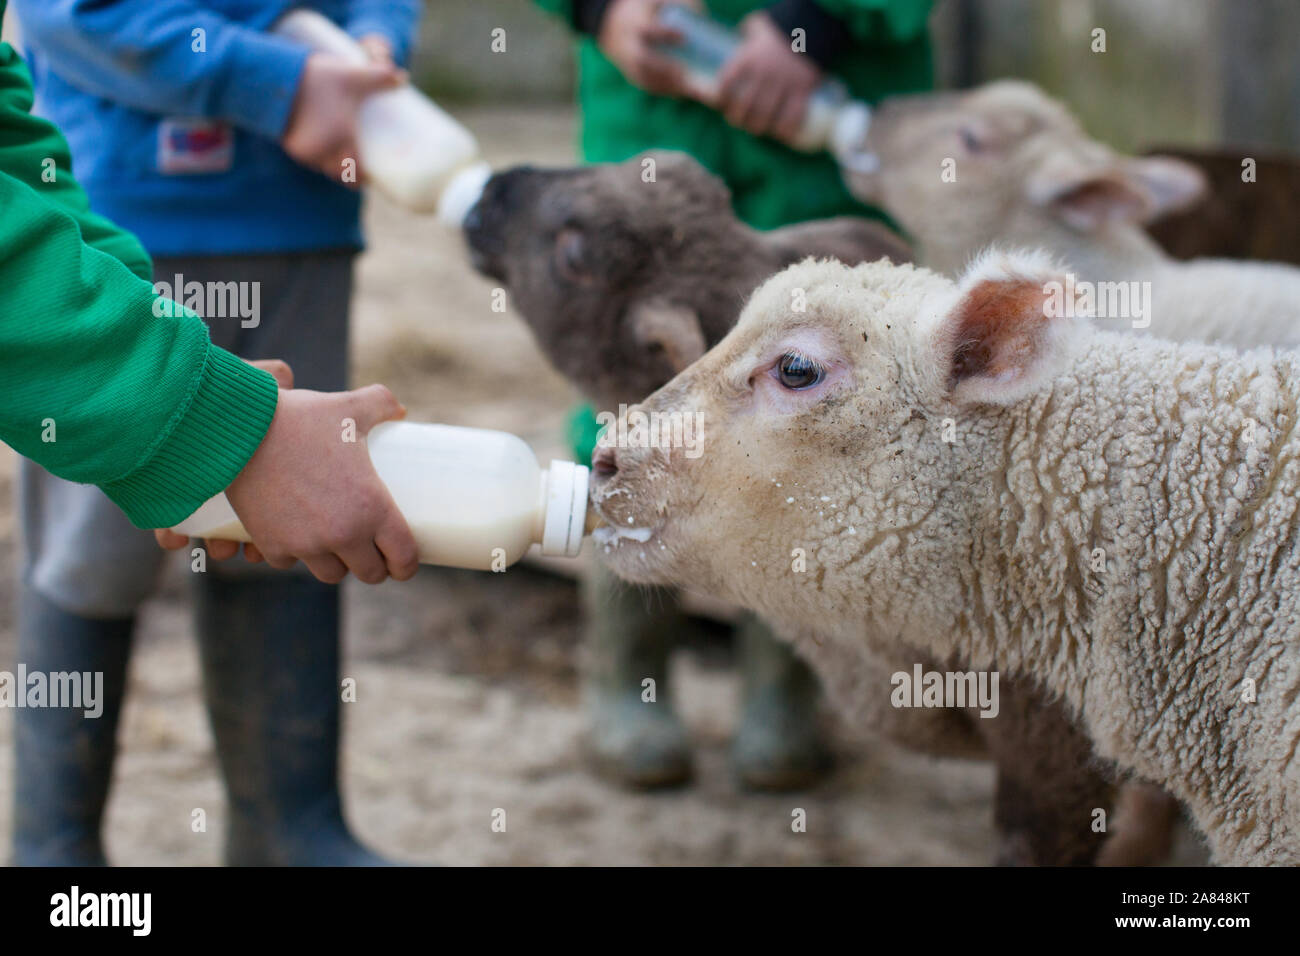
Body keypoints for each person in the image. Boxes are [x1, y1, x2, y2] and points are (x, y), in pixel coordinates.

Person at [8, 0, 421, 866]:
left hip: (298, 218)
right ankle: (56, 839)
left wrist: (375, 43)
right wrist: (282, 82)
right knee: (91, 554)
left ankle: (289, 821)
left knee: (303, 514)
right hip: (124, 210)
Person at [537, 0, 933, 790]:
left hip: (829, 100)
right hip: (654, 99)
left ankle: (787, 684)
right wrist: (600, 11)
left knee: (816, 385)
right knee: (637, 365)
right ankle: (627, 675)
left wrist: (812, 25)